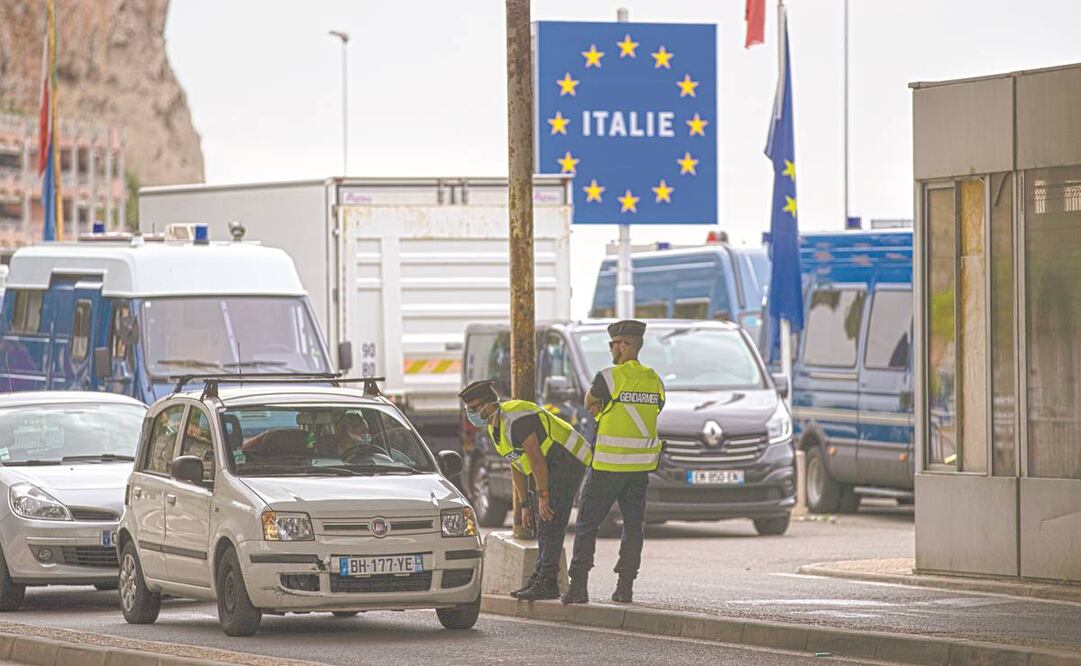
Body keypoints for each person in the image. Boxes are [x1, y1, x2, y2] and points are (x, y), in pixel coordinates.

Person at [459, 379, 592, 601]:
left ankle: (548, 582)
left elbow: (536, 458)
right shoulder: (494, 426)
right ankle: (541, 575)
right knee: (541, 519)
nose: (470, 414)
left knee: (550, 518)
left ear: (488, 405)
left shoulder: (517, 418)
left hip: (567, 459)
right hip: (549, 464)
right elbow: (517, 465)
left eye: (472, 409)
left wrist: (543, 496)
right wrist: (523, 505)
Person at [562, 320, 664, 605]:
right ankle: (625, 587)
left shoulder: (608, 377)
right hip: (639, 469)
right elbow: (657, 409)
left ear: (625, 345)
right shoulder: (654, 379)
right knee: (633, 527)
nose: (611, 350)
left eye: (613, 345)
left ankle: (578, 586)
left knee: (587, 525)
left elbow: (589, 401)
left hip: (607, 467)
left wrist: (603, 414)